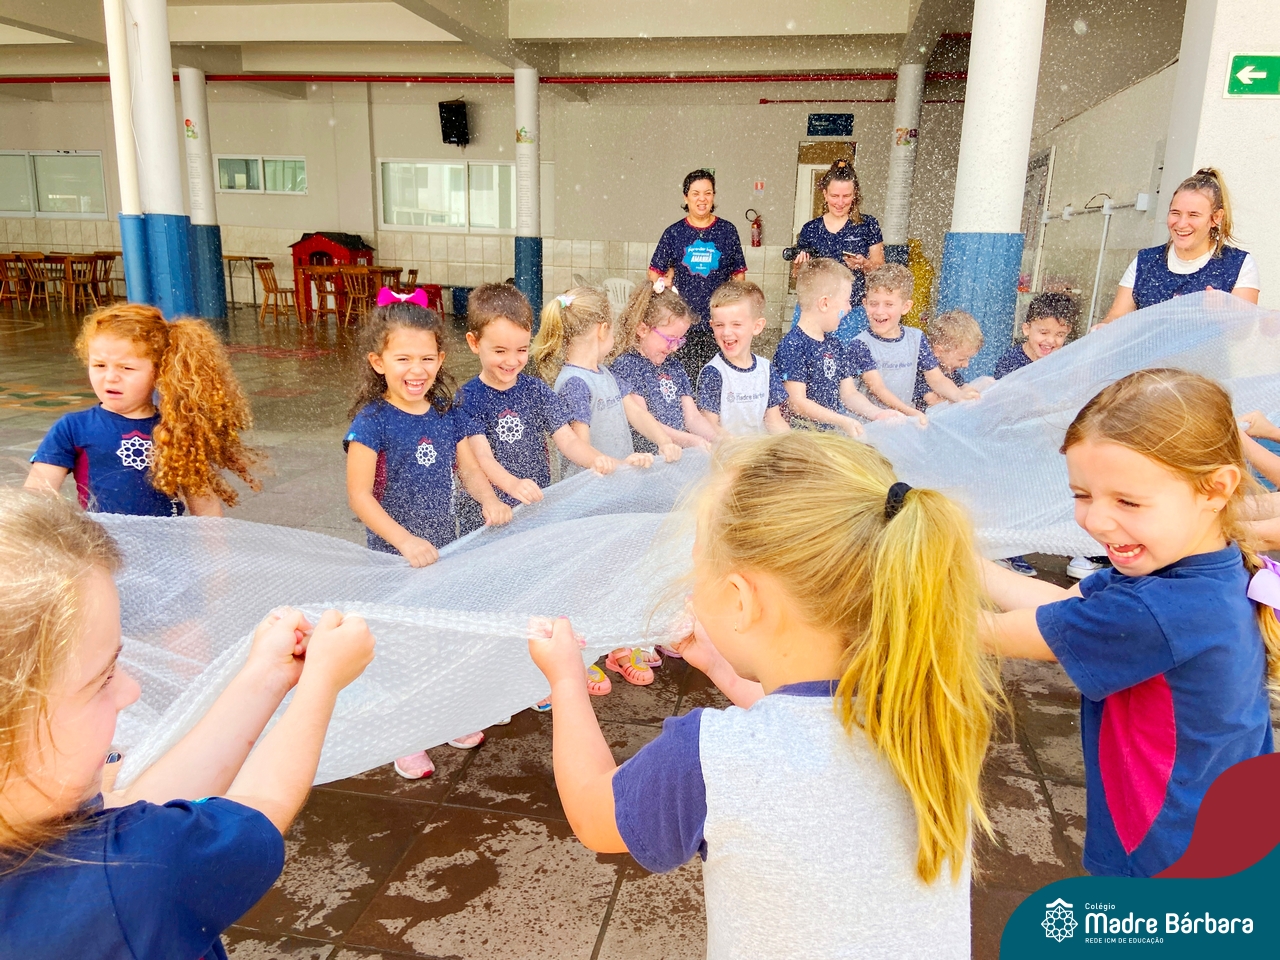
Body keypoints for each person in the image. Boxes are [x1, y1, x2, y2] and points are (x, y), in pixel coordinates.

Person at [527, 432, 999, 959]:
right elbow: (814, 735)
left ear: (740, 600)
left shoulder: (707, 758)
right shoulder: (933, 718)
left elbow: (592, 812)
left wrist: (566, 680)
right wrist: (721, 669)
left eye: (699, 565)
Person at [0, 489, 375, 960]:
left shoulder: (33, 815)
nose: (130, 690)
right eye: (103, 678)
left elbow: (134, 808)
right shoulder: (124, 881)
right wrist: (322, 681)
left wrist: (267, 675)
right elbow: (259, 808)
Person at [980, 369, 1277, 878]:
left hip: (1169, 857)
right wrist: (955, 554)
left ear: (1215, 488)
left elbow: (991, 633)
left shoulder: (1162, 608)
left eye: (1128, 501)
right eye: (1082, 495)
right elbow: (1059, 608)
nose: (1096, 521)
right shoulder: (1202, 567)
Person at [344, 292, 513, 777]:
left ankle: (445, 717)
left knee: (442, 637)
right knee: (404, 646)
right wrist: (404, 541)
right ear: (378, 362)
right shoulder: (372, 422)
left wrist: (488, 500)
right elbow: (360, 497)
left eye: (426, 358)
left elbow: (469, 468)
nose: (416, 370)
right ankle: (406, 736)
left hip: (444, 548)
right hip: (396, 558)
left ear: (440, 359)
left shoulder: (444, 412)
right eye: (402, 359)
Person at [25, 303, 260, 517]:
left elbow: (205, 506)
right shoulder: (73, 428)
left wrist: (217, 550)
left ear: (159, 371)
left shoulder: (177, 429)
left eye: (126, 368)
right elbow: (37, 496)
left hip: (165, 545)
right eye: (99, 365)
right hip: (102, 545)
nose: (110, 377)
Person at [457, 283, 630, 520]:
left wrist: (598, 459)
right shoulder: (468, 398)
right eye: (500, 351)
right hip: (489, 513)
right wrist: (513, 485)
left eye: (521, 350)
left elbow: (569, 441)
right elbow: (481, 457)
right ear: (474, 343)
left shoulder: (535, 390)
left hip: (534, 506)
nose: (512, 360)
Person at [531, 285, 663, 477]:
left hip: (615, 480)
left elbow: (637, 413)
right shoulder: (575, 384)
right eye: (612, 331)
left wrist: (664, 441)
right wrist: (621, 465)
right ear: (602, 330)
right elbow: (581, 450)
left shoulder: (605, 373)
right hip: (590, 488)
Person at [1099, 168, 1259, 325]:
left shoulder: (1238, 264)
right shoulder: (1145, 261)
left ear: (1216, 218)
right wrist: (1103, 328)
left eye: (1193, 215)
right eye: (1175, 213)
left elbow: (1243, 332)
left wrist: (1221, 315)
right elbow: (1116, 317)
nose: (1181, 224)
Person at [773, 258, 900, 436]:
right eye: (846, 301)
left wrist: (877, 414)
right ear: (824, 304)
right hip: (799, 440)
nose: (849, 308)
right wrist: (841, 420)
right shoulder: (793, 345)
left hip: (827, 437)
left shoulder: (835, 345)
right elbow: (797, 402)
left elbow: (849, 394)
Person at [649, 169, 748, 380]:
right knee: (684, 375)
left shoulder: (727, 231)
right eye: (695, 194)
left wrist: (733, 307)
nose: (702, 199)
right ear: (686, 197)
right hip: (682, 321)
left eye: (707, 193)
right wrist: (666, 287)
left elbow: (739, 275)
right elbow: (654, 272)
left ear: (714, 196)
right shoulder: (674, 233)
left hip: (718, 320)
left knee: (717, 374)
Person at [855, 264, 980, 423]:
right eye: (873, 304)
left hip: (903, 423)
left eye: (889, 304)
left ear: (906, 307)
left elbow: (937, 379)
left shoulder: (916, 338)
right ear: (865, 303)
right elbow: (878, 389)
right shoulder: (861, 344)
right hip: (871, 424)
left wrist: (958, 395)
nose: (879, 311)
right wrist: (910, 412)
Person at [610, 281, 718, 459]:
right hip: (646, 461)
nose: (674, 348)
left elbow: (692, 417)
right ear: (643, 329)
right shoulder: (627, 366)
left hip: (674, 457)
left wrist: (717, 439)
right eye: (670, 339)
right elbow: (643, 419)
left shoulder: (674, 366)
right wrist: (692, 441)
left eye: (679, 340)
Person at [790, 158, 885, 341]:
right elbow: (798, 276)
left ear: (855, 194)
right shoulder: (811, 229)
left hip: (852, 311)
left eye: (846, 196)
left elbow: (880, 270)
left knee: (848, 358)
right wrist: (799, 267)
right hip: (814, 309)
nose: (840, 202)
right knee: (805, 354)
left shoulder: (868, 225)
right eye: (834, 196)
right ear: (825, 194)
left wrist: (864, 264)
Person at [696, 279, 790, 436]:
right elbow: (709, 425)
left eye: (736, 324)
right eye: (719, 325)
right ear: (711, 325)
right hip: (728, 449)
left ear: (757, 326)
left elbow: (774, 421)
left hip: (759, 449)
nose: (726, 332)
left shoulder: (766, 369)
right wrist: (737, 446)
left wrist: (794, 443)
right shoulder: (714, 372)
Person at [991, 292, 1075, 381]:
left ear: (1068, 332)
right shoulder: (1011, 361)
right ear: (1027, 329)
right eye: (1044, 333)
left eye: (1060, 334)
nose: (1051, 340)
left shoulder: (1065, 362)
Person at [914, 310, 983, 410]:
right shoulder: (921, 370)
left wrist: (968, 392)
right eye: (961, 359)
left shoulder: (949, 371)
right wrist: (960, 396)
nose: (966, 365)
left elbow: (963, 387)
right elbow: (932, 400)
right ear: (938, 351)